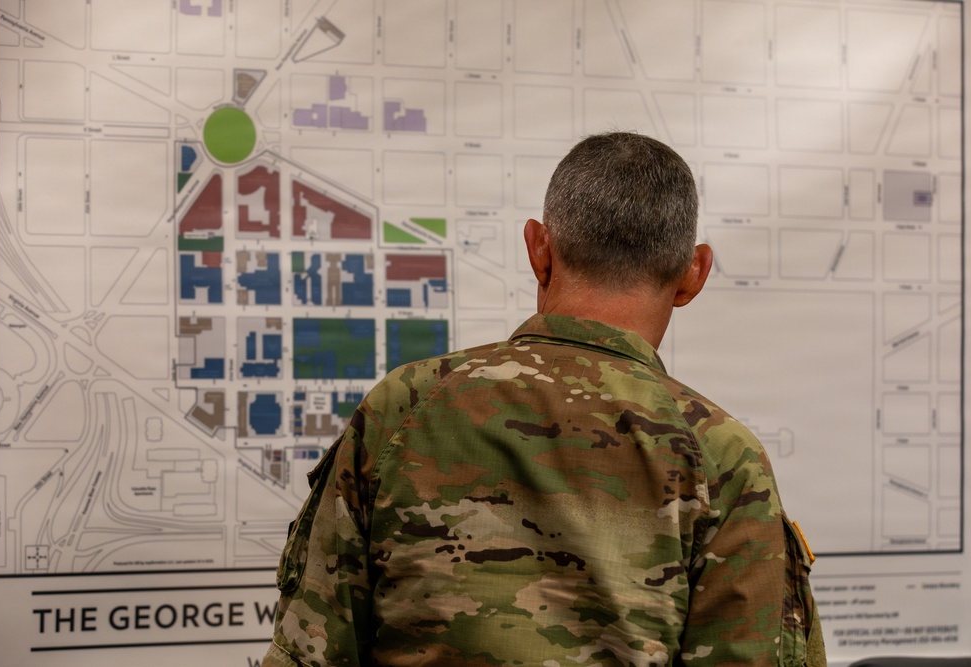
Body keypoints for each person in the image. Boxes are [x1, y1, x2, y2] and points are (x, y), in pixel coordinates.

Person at [262, 132, 825, 666]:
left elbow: (311, 649)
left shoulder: (404, 406)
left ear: (539, 249)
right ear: (693, 275)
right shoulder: (721, 456)